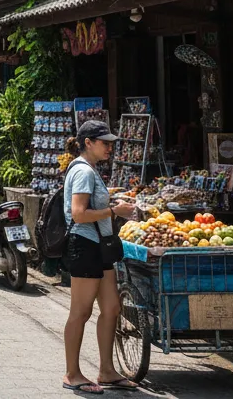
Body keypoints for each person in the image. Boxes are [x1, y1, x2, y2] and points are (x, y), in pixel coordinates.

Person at [63, 120, 138, 394]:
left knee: (112, 309)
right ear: (88, 143)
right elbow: (78, 214)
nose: (110, 147)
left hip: (100, 246)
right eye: (105, 142)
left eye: (110, 142)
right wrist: (114, 212)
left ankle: (106, 370)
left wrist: (111, 205)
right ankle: (72, 373)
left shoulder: (90, 170)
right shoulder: (83, 171)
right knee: (80, 312)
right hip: (85, 245)